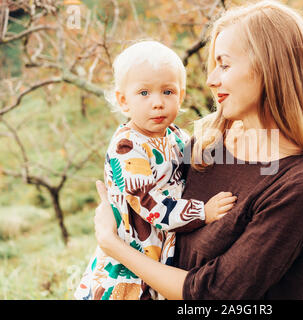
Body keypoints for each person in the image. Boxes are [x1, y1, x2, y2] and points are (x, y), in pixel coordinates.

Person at [92, 0, 303, 300]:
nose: (212, 80)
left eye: (224, 65)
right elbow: (152, 208)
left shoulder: (300, 186)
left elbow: (212, 295)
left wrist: (112, 245)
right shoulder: (208, 144)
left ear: (269, 66)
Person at [74, 41, 236, 300]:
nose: (158, 103)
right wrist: (202, 212)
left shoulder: (176, 137)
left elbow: (198, 164)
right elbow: (151, 206)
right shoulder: (127, 147)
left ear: (180, 96)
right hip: (127, 269)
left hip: (158, 262)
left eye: (168, 92)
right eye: (144, 93)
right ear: (123, 101)